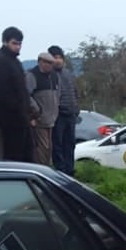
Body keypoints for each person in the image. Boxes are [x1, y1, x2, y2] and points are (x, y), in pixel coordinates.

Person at [0, 26, 34, 162]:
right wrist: (20, 112)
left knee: (27, 154)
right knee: (14, 155)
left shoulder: (15, 62)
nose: (18, 47)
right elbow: (4, 93)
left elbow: (22, 90)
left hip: (21, 116)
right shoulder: (0, 61)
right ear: (5, 42)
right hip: (11, 117)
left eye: (19, 44)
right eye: (14, 43)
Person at [48, 44, 80, 174]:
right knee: (58, 145)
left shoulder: (69, 74)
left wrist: (76, 108)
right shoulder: (49, 75)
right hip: (58, 115)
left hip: (71, 115)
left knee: (70, 144)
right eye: (55, 57)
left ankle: (70, 170)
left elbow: (75, 92)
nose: (58, 60)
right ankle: (61, 172)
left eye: (60, 57)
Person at [25, 52, 60, 166]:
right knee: (41, 149)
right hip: (39, 119)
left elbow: (58, 94)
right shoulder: (32, 75)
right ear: (40, 62)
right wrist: (36, 111)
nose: (50, 65)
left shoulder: (54, 76)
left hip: (51, 119)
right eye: (48, 63)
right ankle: (41, 171)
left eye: (51, 63)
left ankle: (47, 170)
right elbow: (26, 95)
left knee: (49, 148)